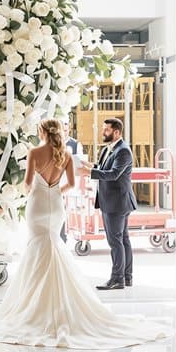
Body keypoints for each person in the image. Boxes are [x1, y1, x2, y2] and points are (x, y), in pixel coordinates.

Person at [0, 118, 171, 349]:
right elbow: (70, 184)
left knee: (38, 245)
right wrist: (54, 191)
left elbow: (27, 185)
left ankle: (35, 302)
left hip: (37, 205)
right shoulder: (66, 155)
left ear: (42, 132)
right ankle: (66, 296)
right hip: (56, 205)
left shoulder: (34, 153)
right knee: (54, 243)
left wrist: (23, 195)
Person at [77, 118, 136, 290]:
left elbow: (113, 174)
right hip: (114, 201)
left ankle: (117, 279)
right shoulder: (108, 149)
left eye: (106, 130)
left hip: (117, 202)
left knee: (115, 241)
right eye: (103, 129)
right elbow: (102, 167)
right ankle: (127, 277)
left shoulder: (123, 151)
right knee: (123, 239)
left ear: (117, 132)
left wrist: (88, 172)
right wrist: (87, 164)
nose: (103, 132)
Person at [59, 119, 82, 243]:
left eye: (66, 130)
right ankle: (60, 236)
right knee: (59, 210)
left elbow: (80, 163)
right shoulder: (53, 144)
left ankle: (66, 234)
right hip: (57, 182)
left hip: (70, 182)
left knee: (68, 210)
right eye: (62, 130)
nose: (64, 133)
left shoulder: (75, 144)